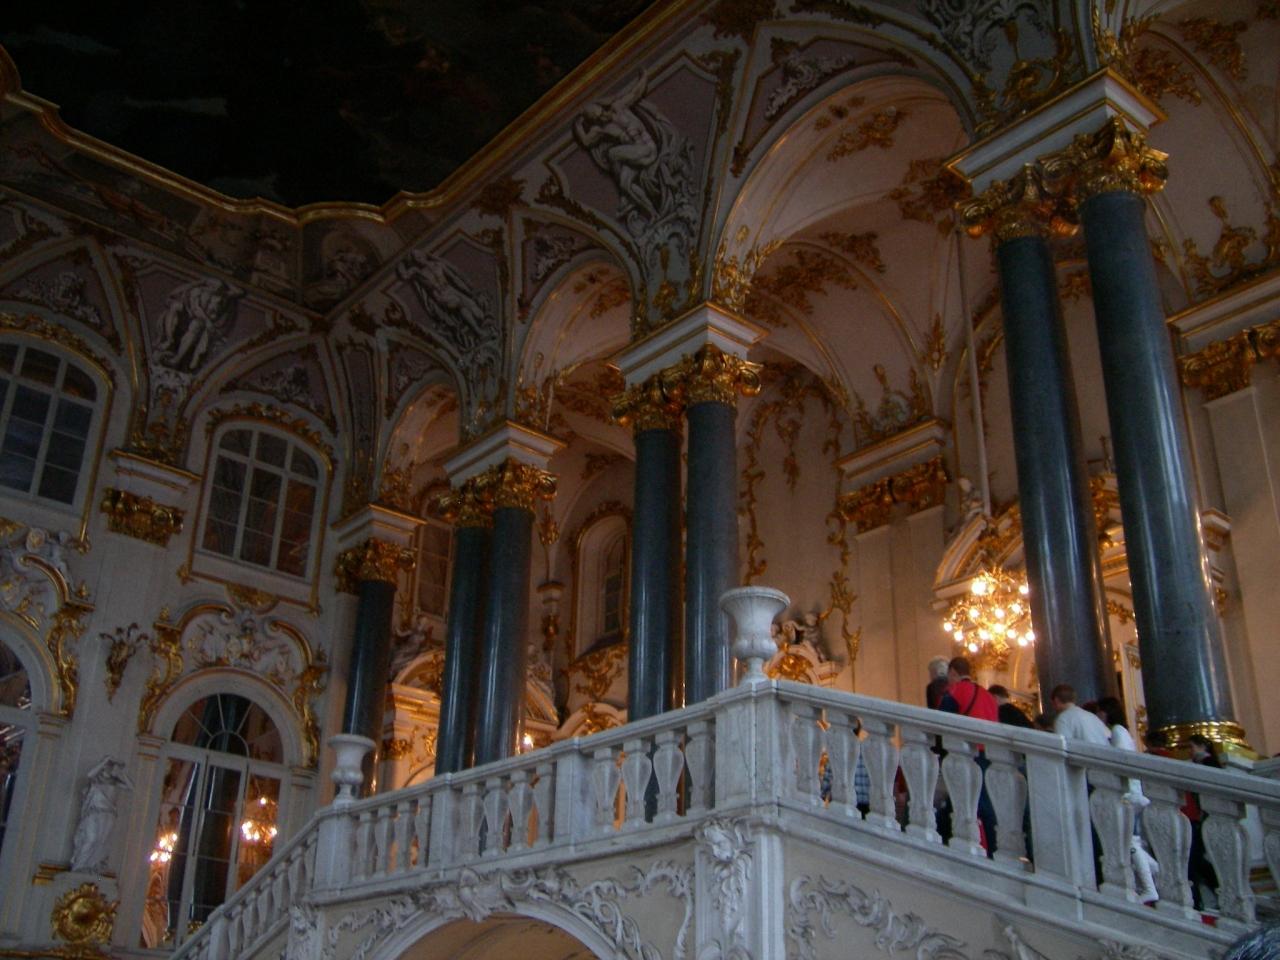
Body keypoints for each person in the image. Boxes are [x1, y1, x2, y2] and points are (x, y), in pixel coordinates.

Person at [939, 657, 998, 853]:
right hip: (990, 754)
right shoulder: (987, 695)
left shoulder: (955, 691)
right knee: (987, 803)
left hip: (966, 754)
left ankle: (957, 843)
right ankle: (993, 847)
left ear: (953, 672)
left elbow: (942, 722)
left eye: (949, 675)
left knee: (963, 800)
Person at [1185, 733, 1222, 910]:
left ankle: (1215, 890)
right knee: (1197, 857)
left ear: (1202, 746)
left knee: (1197, 858)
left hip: (1206, 814)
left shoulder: (1208, 763)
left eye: (1191, 747)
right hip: (1201, 814)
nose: (1190, 751)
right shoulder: (1199, 764)